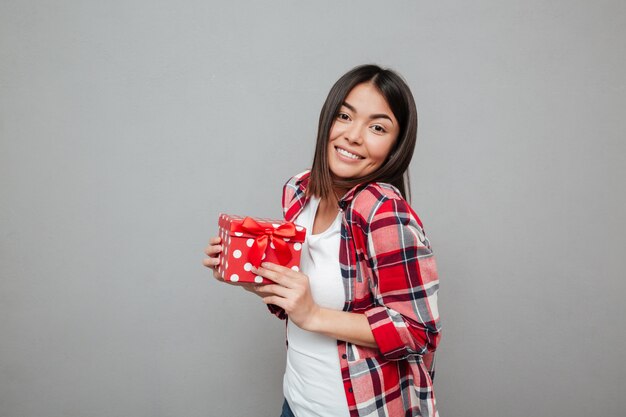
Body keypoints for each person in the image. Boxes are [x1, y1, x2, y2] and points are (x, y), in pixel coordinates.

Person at [203, 64, 441, 417]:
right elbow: (301, 299)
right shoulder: (299, 191)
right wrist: (250, 274)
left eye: (377, 127)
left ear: (395, 146)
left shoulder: (383, 211)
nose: (353, 135)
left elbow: (418, 332)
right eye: (345, 116)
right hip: (297, 403)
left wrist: (312, 314)